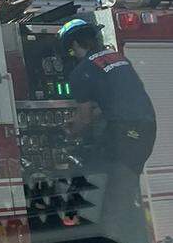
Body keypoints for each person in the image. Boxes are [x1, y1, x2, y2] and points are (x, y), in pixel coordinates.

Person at [61, 18, 157, 243]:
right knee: (124, 190)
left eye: (70, 49)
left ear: (74, 44)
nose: (71, 54)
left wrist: (69, 133)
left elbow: (84, 119)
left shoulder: (81, 72)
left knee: (105, 195)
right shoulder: (119, 59)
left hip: (124, 134)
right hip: (146, 131)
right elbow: (112, 105)